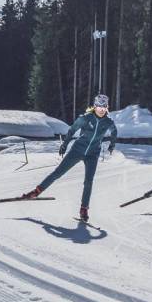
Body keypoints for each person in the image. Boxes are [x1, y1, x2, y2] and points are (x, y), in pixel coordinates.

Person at [21, 93, 118, 222]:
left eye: (104, 106)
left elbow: (114, 131)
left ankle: (84, 209)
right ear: (94, 106)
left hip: (93, 155)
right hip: (77, 150)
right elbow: (72, 130)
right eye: (99, 106)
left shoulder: (108, 122)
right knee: (57, 173)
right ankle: (36, 191)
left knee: (89, 181)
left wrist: (112, 144)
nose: (101, 109)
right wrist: (65, 144)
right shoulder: (85, 118)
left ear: (107, 107)